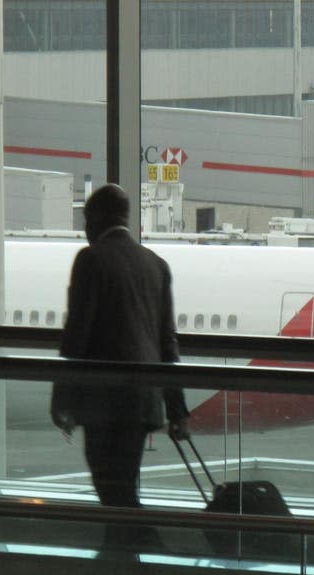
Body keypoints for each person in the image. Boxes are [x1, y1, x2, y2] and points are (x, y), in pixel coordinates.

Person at [51, 183, 190, 509]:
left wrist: (62, 400)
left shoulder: (91, 260)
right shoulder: (155, 264)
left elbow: (76, 337)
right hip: (143, 402)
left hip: (104, 404)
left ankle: (143, 549)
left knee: (113, 493)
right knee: (123, 488)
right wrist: (177, 410)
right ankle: (133, 550)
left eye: (86, 218)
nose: (85, 227)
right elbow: (167, 343)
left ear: (99, 218)